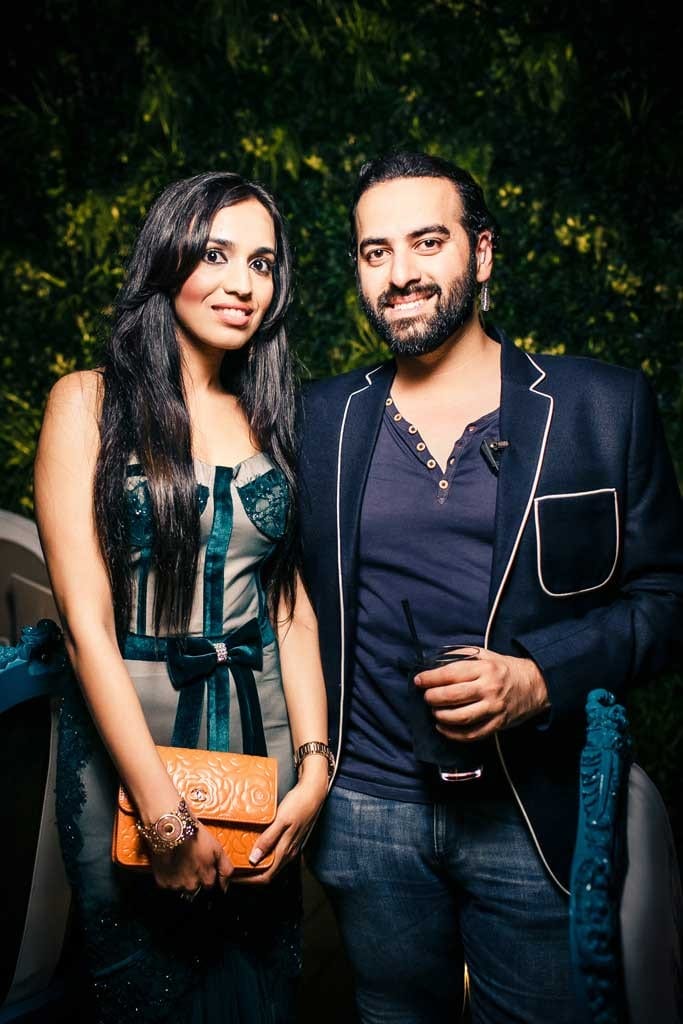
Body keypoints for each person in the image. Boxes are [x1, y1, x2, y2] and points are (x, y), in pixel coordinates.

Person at [296, 151, 683, 1022]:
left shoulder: (601, 407)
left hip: (529, 812)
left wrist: (540, 677)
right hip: (367, 813)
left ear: (480, 253)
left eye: (426, 242)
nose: (400, 273)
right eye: (375, 252)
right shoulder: (316, 419)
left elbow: (668, 598)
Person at [33, 170, 331, 1024]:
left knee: (257, 985)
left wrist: (316, 769)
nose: (243, 284)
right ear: (167, 259)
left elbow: (288, 607)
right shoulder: (87, 402)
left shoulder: (272, 415)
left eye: (262, 263)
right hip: (128, 742)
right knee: (142, 988)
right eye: (216, 254)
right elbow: (86, 627)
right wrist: (163, 817)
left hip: (261, 737)